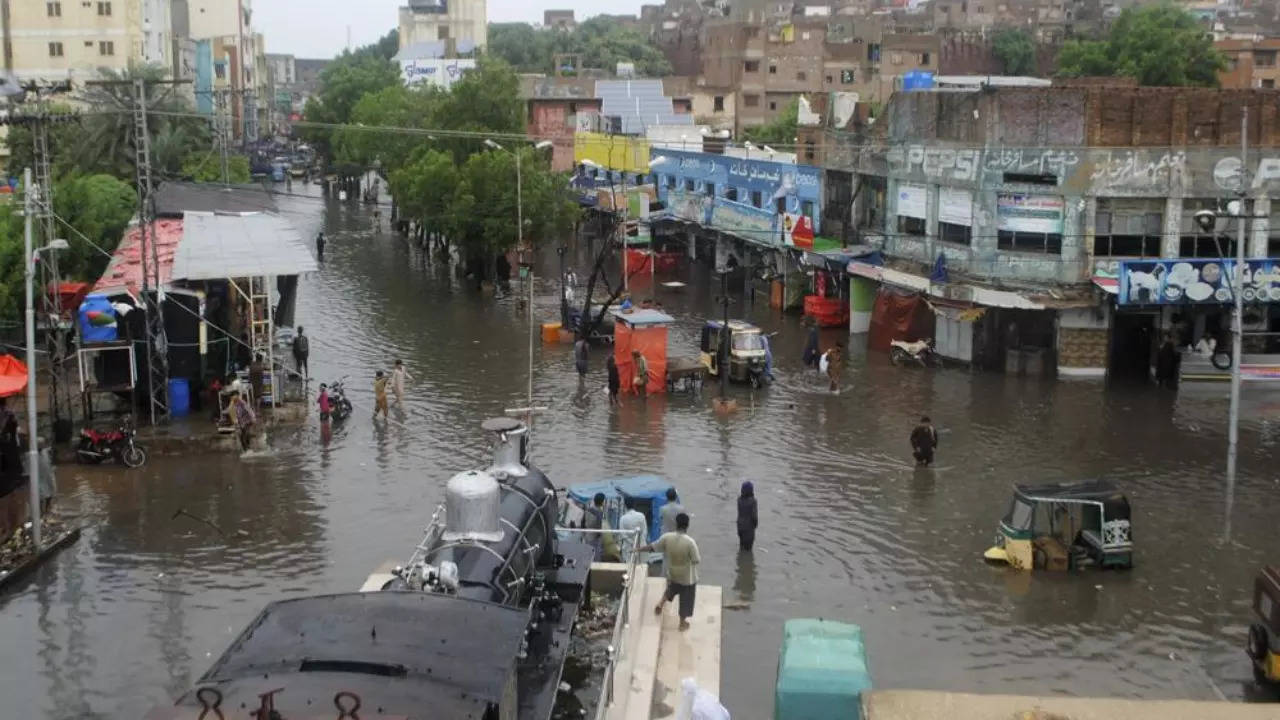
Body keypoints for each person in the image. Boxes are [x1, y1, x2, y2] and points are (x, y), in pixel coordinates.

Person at [638, 512, 700, 631]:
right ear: (687, 525)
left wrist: (637, 549)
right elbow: (696, 560)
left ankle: (660, 604)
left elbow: (653, 547)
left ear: (676, 524)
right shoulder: (690, 542)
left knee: (671, 590)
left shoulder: (667, 537)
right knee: (686, 600)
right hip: (687, 577)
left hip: (672, 573)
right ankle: (682, 623)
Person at [584, 491, 607, 561]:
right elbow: (599, 527)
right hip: (594, 537)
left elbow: (583, 522)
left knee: (588, 554)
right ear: (602, 502)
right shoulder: (599, 512)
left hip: (587, 535)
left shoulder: (588, 509)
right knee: (596, 555)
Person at [736, 481, 758, 552]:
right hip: (749, 529)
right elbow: (754, 516)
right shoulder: (753, 501)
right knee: (748, 551)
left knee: (741, 547)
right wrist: (755, 525)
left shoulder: (739, 500)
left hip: (740, 527)